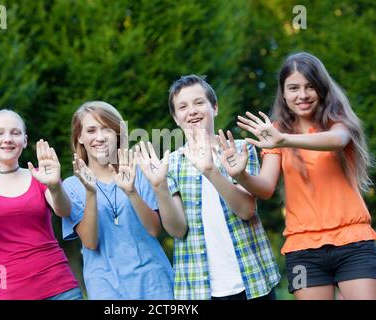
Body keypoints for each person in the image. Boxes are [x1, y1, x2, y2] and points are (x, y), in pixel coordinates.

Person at [234, 52, 376, 299]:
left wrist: (285, 140)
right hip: (304, 250)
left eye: (310, 86)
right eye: (294, 88)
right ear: (283, 92)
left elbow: (337, 141)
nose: (302, 95)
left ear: (321, 88)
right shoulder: (276, 132)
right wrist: (241, 174)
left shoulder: (337, 122)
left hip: (353, 242)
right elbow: (266, 187)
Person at [135, 75, 280, 300]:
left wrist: (211, 171)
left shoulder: (240, 150)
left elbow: (246, 210)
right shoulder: (170, 164)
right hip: (199, 288)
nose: (192, 111)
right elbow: (177, 230)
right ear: (175, 118)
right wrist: (159, 187)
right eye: (182, 107)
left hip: (253, 279)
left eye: (199, 103)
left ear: (215, 107)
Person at [0, 109, 81, 300]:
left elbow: (64, 211)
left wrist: (54, 186)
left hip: (59, 286)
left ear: (24, 141)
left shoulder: (41, 177)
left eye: (15, 133)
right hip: (7, 292)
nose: (7, 138)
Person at [61, 101, 174, 300]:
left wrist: (131, 192)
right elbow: (90, 242)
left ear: (118, 133)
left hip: (154, 283)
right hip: (105, 288)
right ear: (80, 137)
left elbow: (154, 230)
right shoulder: (72, 185)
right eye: (91, 130)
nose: (99, 137)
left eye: (106, 129)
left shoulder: (138, 171)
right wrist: (91, 192)